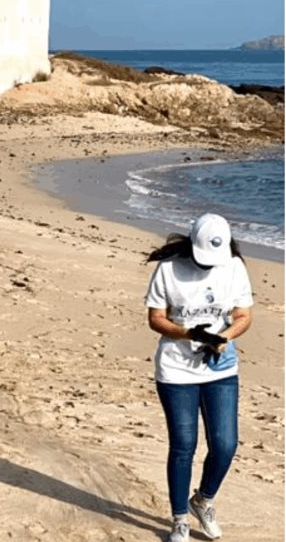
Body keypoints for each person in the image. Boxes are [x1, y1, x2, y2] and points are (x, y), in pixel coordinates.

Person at [144, 213, 253, 542]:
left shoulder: (234, 267)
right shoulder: (168, 269)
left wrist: (225, 337)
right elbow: (155, 318)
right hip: (176, 369)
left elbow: (244, 315)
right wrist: (188, 332)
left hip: (220, 369)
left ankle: (202, 501)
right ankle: (179, 519)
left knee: (225, 444)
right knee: (184, 445)